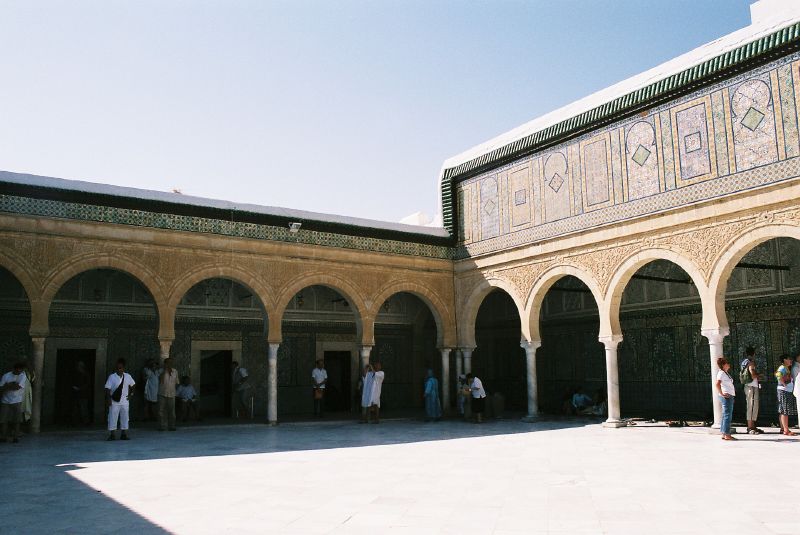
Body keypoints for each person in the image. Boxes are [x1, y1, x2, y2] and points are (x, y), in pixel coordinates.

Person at [104, 358, 135, 441]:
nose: (119, 370)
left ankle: (123, 434)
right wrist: (109, 399)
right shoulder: (112, 377)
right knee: (112, 417)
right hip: (114, 401)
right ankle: (112, 434)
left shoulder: (128, 376)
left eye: (120, 368)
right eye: (117, 368)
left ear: (123, 368)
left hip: (124, 401)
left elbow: (133, 385)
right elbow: (107, 388)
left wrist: (131, 395)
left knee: (125, 417)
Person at [0, 362, 28, 443]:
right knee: (3, 420)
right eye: (17, 370)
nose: (19, 372)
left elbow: (17, 387)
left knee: (16, 420)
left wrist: (8, 385)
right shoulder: (6, 375)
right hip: (5, 401)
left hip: (17, 401)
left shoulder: (23, 376)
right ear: (14, 369)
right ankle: (3, 436)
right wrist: (12, 385)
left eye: (20, 370)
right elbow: (1, 388)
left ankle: (16, 437)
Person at [739, 347, 763, 434]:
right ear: (754, 353)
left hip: (748, 386)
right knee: (752, 406)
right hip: (751, 386)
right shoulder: (751, 363)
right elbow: (752, 375)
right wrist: (759, 375)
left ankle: (752, 426)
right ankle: (750, 427)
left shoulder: (744, 362)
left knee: (751, 405)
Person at [774, 354, 797, 436]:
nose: (790, 360)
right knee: (784, 411)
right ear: (784, 360)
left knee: (782, 410)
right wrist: (784, 384)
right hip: (784, 391)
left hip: (785, 390)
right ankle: (786, 430)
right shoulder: (782, 367)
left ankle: (783, 428)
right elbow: (778, 375)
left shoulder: (785, 367)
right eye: (789, 359)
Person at [715, 357, 736, 441]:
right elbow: (717, 384)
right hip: (726, 396)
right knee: (727, 415)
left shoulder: (725, 373)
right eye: (727, 363)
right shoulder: (721, 373)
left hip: (729, 395)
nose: (729, 364)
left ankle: (724, 433)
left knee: (725, 415)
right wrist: (721, 393)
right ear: (723, 365)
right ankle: (727, 434)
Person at [158, 357, 179, 431]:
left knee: (172, 411)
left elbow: (176, 382)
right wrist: (165, 371)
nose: (169, 364)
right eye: (168, 363)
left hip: (172, 394)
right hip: (162, 393)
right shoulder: (160, 371)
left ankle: (172, 426)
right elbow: (160, 380)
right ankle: (162, 426)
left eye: (171, 362)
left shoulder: (175, 371)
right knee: (161, 411)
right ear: (165, 363)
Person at [70, 360, 91, 425]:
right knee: (75, 409)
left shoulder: (86, 374)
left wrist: (80, 388)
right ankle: (75, 422)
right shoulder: (75, 373)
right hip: (76, 394)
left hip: (83, 394)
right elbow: (72, 382)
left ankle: (86, 422)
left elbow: (87, 383)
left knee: (84, 408)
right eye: (79, 365)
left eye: (81, 365)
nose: (80, 367)